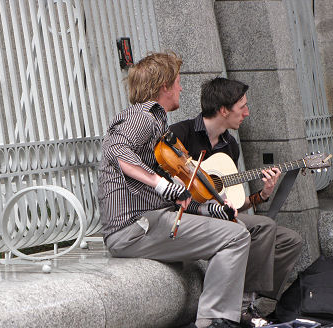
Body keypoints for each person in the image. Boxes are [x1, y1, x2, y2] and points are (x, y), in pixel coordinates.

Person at [98, 52, 297, 328]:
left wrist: (207, 207)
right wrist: (162, 184)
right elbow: (116, 149)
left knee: (238, 231)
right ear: (164, 86)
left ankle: (222, 315)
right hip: (133, 228)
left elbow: (173, 198)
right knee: (236, 237)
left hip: (149, 222)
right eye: (177, 82)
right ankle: (214, 320)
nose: (181, 88)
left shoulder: (158, 122)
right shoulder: (143, 115)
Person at [169, 77, 302, 325]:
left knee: (290, 240)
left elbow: (233, 204)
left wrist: (262, 195)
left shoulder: (230, 145)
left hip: (220, 215)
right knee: (264, 226)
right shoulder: (181, 135)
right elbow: (167, 183)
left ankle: (251, 300)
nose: (247, 113)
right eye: (242, 107)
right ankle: (242, 305)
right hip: (187, 214)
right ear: (223, 110)